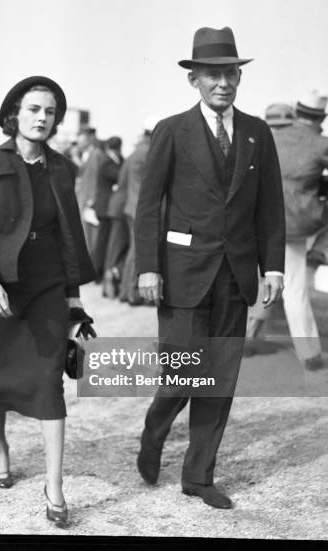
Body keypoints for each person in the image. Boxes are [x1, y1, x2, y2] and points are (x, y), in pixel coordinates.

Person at [135, 27, 285, 509]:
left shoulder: (257, 133)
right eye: (212, 74)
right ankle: (155, 429)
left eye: (230, 73)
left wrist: (274, 267)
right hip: (181, 274)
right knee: (182, 372)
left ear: (238, 77)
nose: (222, 82)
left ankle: (198, 476)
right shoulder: (171, 131)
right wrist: (147, 267)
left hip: (236, 276)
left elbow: (270, 207)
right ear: (193, 79)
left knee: (219, 378)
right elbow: (147, 204)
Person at [0, 76, 95, 528]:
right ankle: (0, 447)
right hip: (2, 283)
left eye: (51, 111)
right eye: (34, 109)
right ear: (14, 115)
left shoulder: (62, 167)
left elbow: (70, 233)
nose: (43, 118)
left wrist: (75, 302)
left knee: (47, 380)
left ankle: (55, 487)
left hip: (47, 285)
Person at [247, 94, 328, 369]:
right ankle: (309, 353)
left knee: (267, 279)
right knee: (294, 288)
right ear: (321, 118)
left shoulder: (268, 136)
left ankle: (248, 336)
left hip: (257, 221)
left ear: (297, 112)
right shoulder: (320, 143)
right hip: (296, 226)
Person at [114, 116, 157, 304]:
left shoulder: (135, 152)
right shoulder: (149, 151)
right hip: (140, 208)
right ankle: (132, 292)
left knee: (134, 248)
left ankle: (126, 291)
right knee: (137, 249)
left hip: (131, 206)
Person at [93, 136, 123, 288]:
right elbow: (119, 175)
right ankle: (97, 273)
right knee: (103, 242)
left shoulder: (115, 160)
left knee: (105, 241)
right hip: (105, 208)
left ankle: (100, 272)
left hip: (108, 207)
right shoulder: (107, 163)